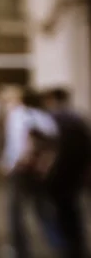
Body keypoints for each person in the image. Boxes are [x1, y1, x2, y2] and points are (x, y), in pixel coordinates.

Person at [0, 88, 62, 258]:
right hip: (38, 172)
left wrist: (9, 164)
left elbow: (16, 145)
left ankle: (19, 249)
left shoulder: (17, 115)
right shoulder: (44, 117)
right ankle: (58, 244)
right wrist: (45, 166)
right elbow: (54, 144)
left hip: (20, 170)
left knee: (15, 212)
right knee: (43, 210)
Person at [42, 87, 91, 257]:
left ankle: (68, 247)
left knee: (61, 211)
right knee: (72, 210)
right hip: (75, 173)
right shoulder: (79, 119)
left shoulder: (52, 120)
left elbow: (50, 149)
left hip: (58, 174)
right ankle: (78, 245)